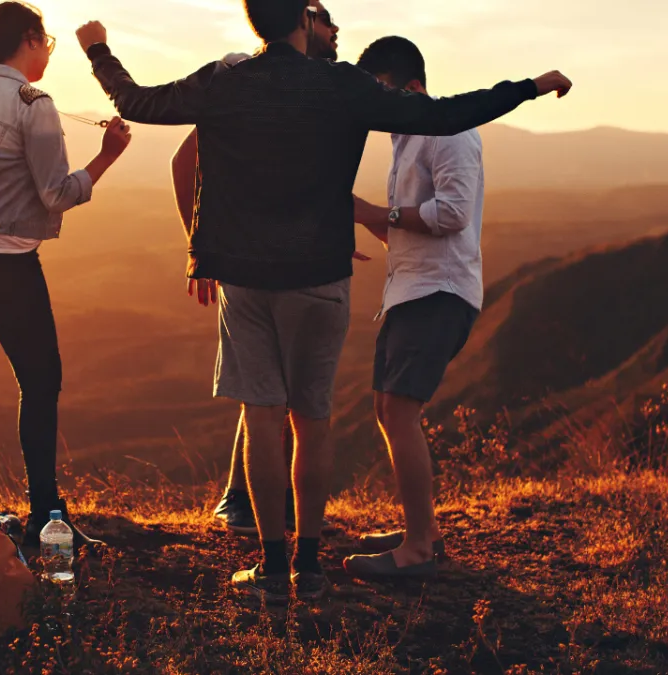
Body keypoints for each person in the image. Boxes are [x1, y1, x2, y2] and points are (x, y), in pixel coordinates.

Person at [77, 1, 571, 605]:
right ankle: (310, 566)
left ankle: (273, 567)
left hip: (247, 276)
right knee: (312, 421)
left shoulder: (225, 79)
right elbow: (446, 115)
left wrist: (99, 50)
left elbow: (138, 103)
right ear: (304, 22)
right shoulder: (343, 84)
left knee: (262, 418)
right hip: (321, 275)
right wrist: (531, 86)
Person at [0, 1, 132, 550]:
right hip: (4, 255)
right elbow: (57, 193)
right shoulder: (32, 102)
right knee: (41, 379)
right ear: (29, 40)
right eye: (47, 44)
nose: (48, 55)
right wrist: (108, 155)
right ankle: (47, 516)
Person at [169, 0, 342, 537]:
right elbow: (184, 161)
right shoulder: (244, 74)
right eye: (325, 17)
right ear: (302, 21)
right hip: (250, 263)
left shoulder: (317, 86)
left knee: (274, 393)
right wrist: (202, 249)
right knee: (268, 394)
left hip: (294, 258)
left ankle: (260, 512)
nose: (336, 30)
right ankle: (244, 504)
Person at [342, 36, 489, 579]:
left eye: (377, 91)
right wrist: (361, 218)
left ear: (409, 86)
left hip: (440, 292)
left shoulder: (447, 132)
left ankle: (417, 551)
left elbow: (451, 214)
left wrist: (378, 211)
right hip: (411, 289)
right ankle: (420, 530)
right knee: (388, 410)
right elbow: (408, 228)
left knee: (400, 412)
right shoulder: (407, 139)